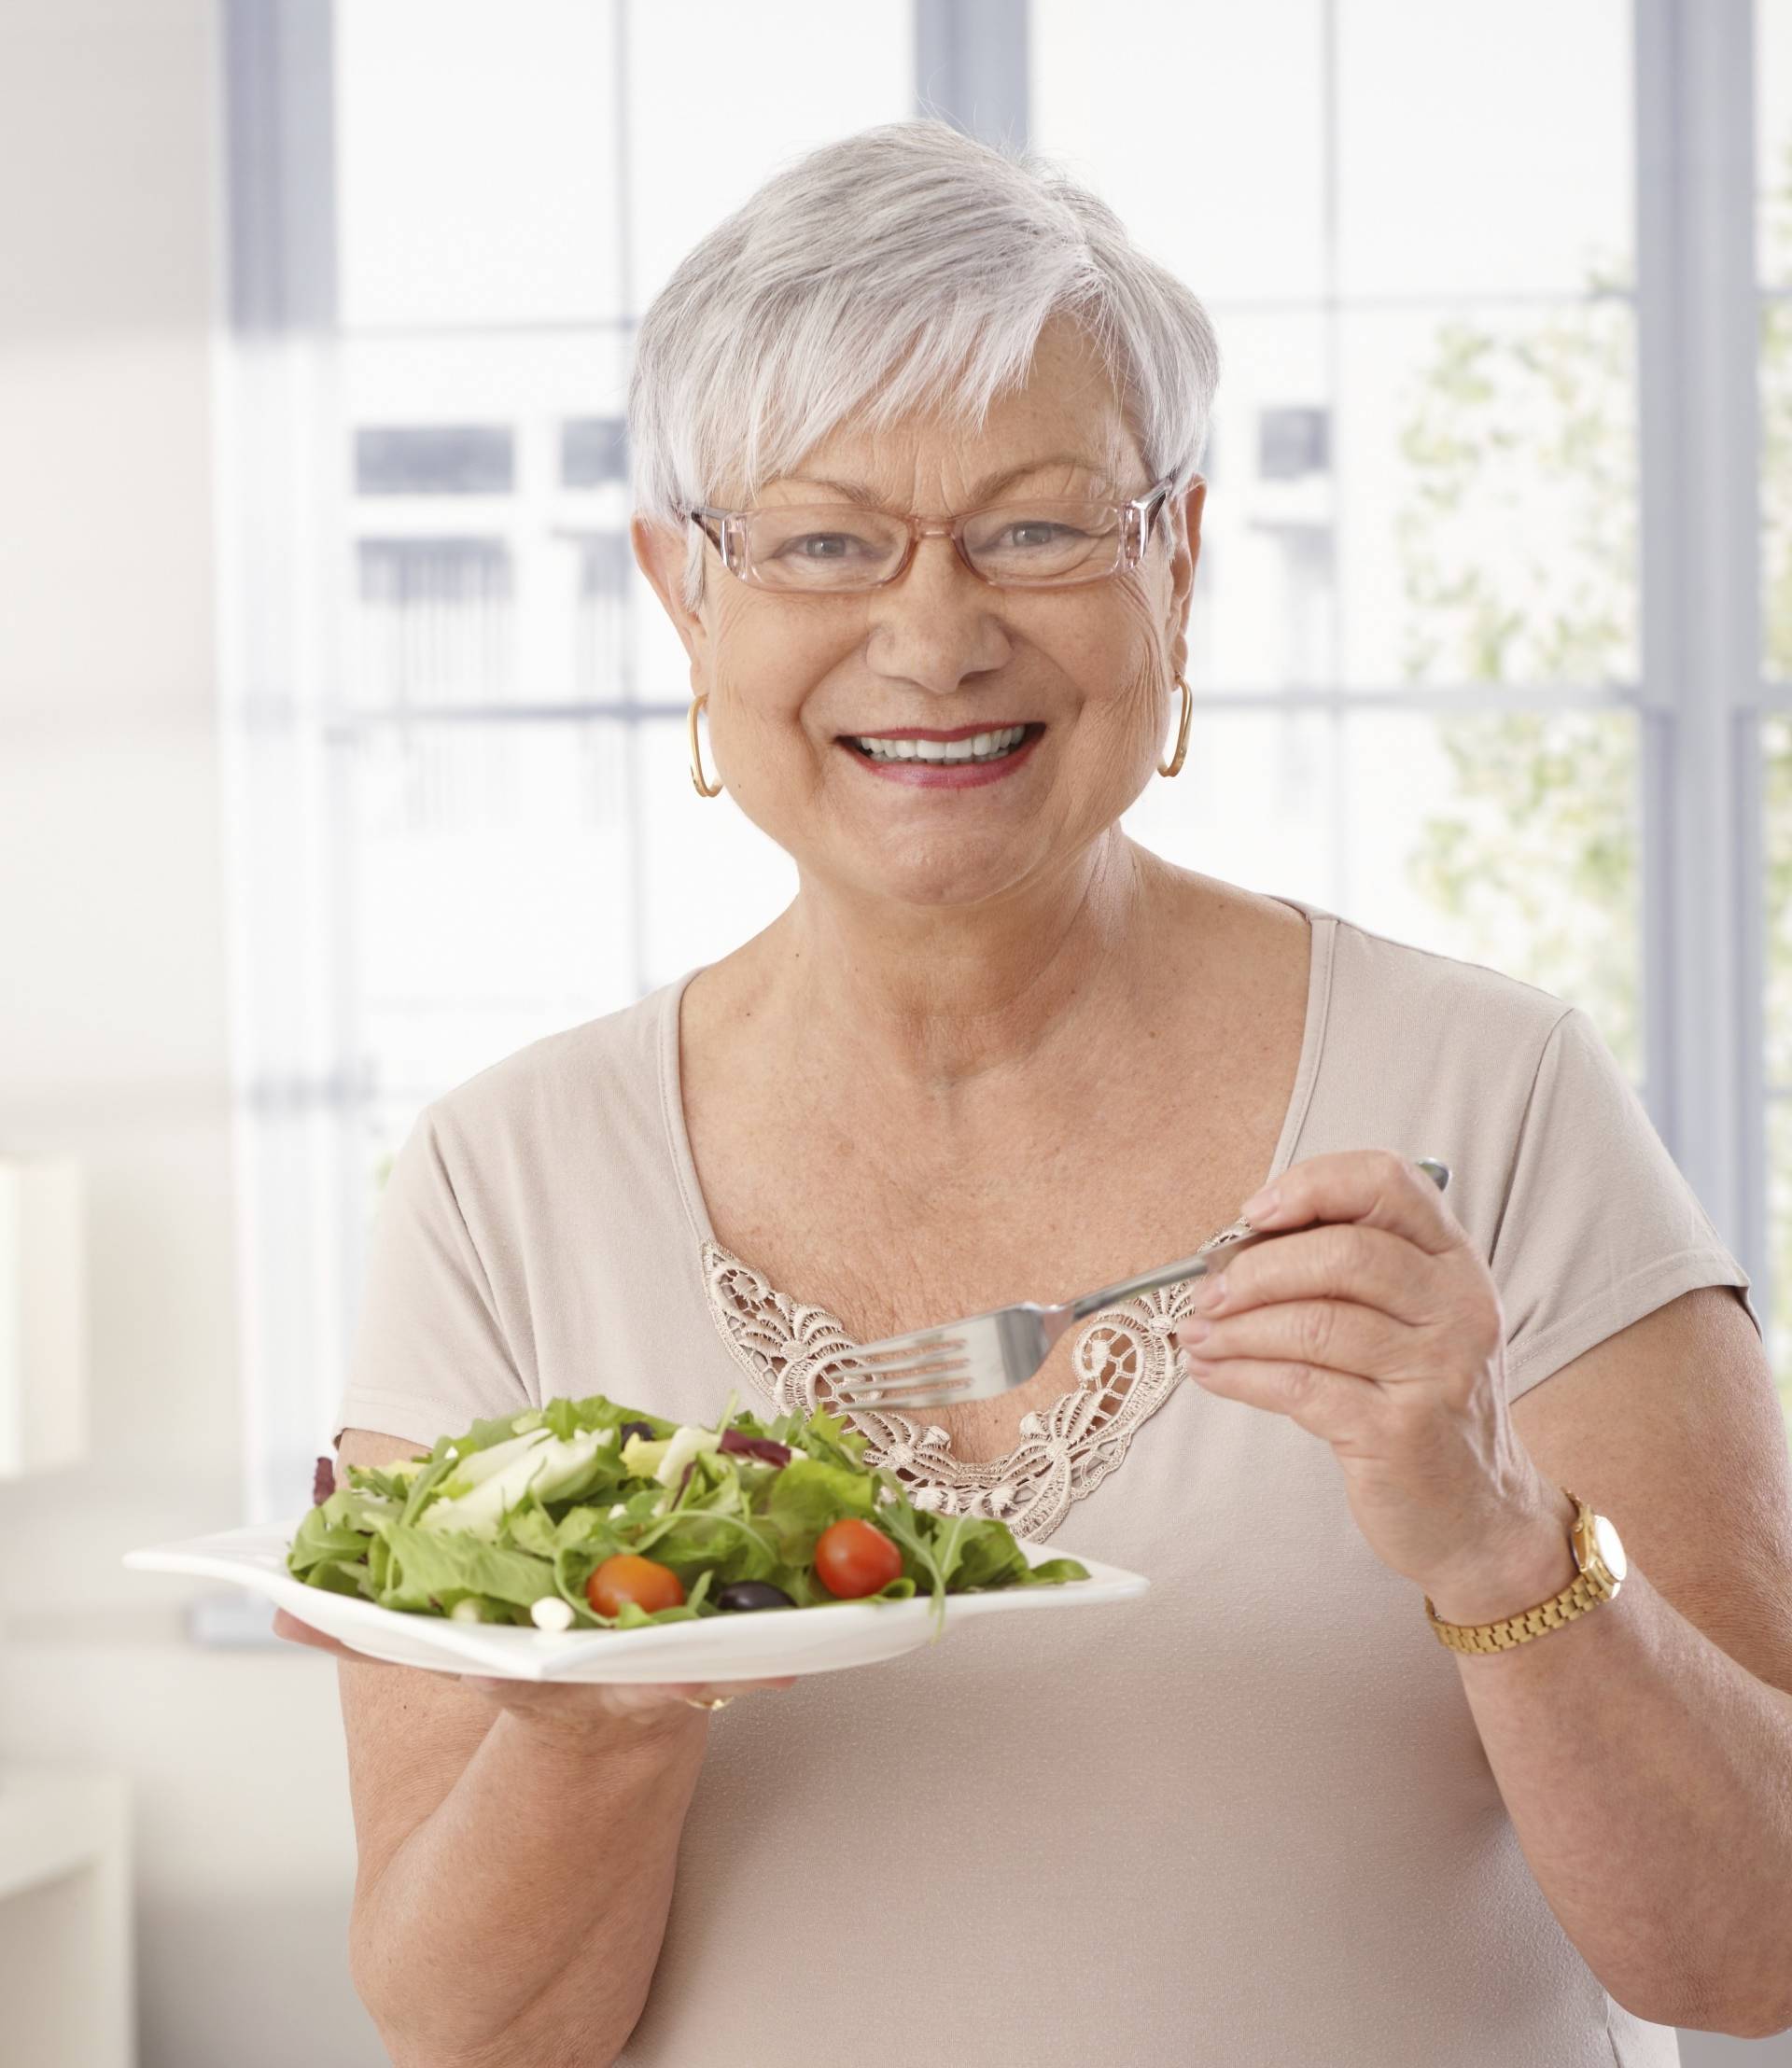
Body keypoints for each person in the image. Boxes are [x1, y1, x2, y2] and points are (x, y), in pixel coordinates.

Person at [278, 119, 1792, 2066]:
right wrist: (602, 1710)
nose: (933, 634)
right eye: (825, 539)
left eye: (1038, 525)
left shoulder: (1490, 1093)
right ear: (683, 594)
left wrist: (1505, 1540)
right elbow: (478, 2034)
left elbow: (1755, 1948)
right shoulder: (500, 1180)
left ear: (1175, 555)